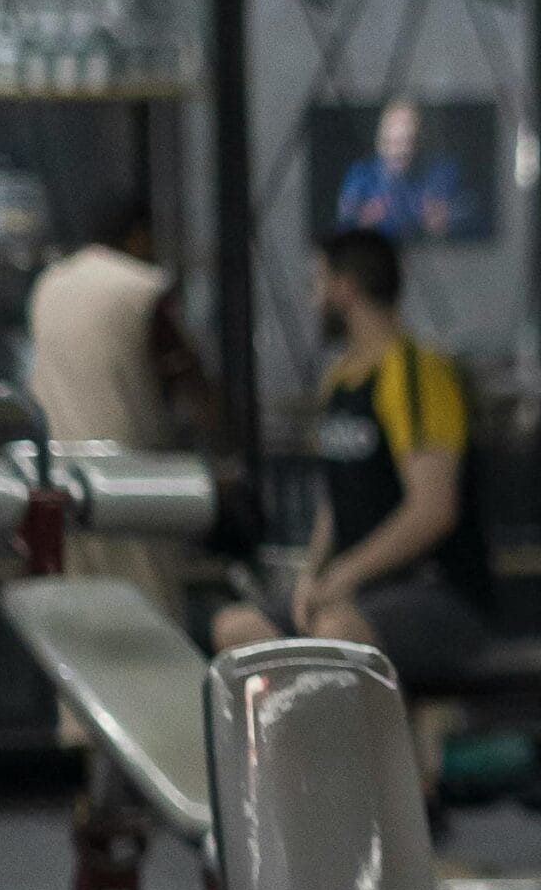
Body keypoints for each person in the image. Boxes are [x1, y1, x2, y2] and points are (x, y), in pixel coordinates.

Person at [211, 229, 492, 688]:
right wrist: (311, 573)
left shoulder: (417, 373)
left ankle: (361, 759)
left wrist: (344, 575)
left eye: (317, 283)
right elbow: (338, 498)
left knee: (335, 636)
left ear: (345, 288)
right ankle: (293, 758)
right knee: (239, 629)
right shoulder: (341, 379)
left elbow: (433, 510)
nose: (313, 298)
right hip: (365, 590)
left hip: (439, 593)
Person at [26, 191, 224, 620]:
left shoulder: (49, 284)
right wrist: (220, 445)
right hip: (129, 481)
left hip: (56, 476)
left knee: (78, 619)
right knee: (148, 614)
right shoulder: (139, 287)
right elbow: (187, 376)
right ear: (139, 236)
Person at [335, 99, 471, 242]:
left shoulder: (444, 172)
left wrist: (449, 219)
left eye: (408, 141)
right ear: (379, 142)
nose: (399, 151)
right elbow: (343, 222)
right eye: (391, 142)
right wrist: (362, 223)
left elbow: (473, 215)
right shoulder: (360, 175)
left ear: (421, 140)